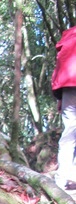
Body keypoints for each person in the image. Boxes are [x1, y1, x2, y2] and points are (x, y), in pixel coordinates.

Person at [51, 25, 76, 192]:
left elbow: (60, 67)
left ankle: (64, 177)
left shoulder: (68, 37)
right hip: (69, 87)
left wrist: (59, 97)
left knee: (69, 132)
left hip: (68, 88)